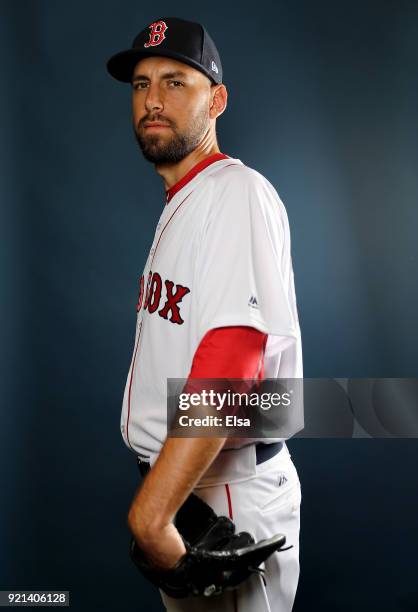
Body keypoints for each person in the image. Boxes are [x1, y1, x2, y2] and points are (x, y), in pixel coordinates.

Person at [107, 16, 303, 612]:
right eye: (141, 85)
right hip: (194, 487)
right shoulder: (187, 199)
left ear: (216, 100)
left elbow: (231, 363)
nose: (153, 100)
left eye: (175, 81)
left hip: (227, 495)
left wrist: (152, 511)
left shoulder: (233, 192)